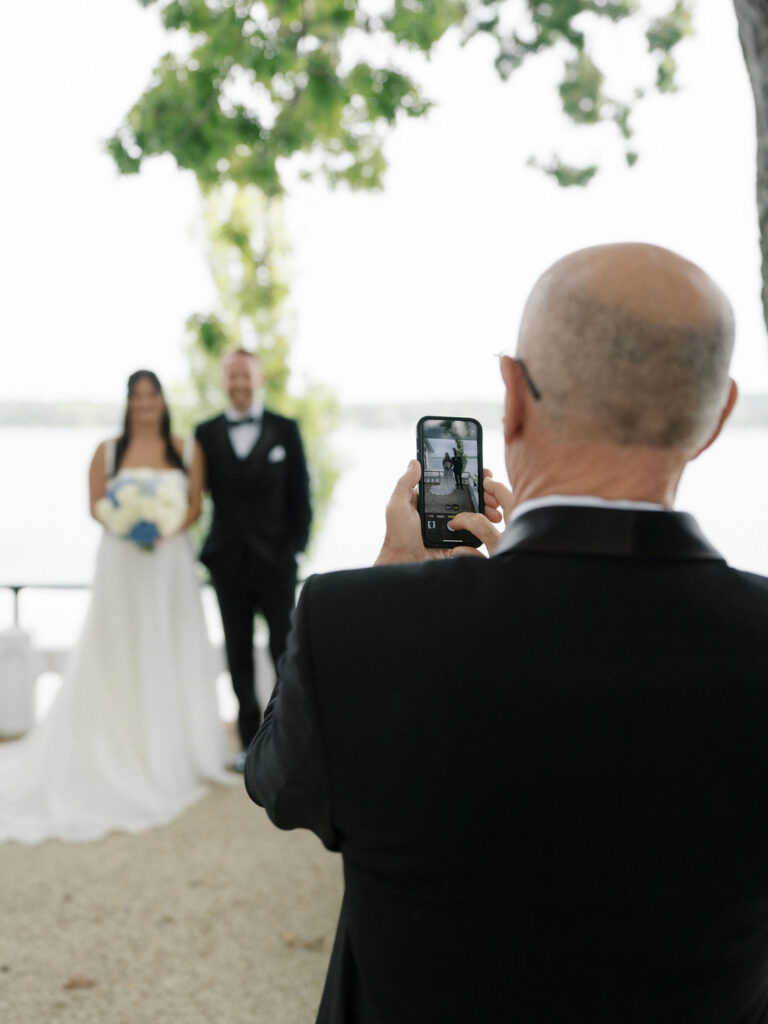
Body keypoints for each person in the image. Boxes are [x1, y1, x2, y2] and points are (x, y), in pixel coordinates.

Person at [245, 243, 768, 1024]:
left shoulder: (356, 625)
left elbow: (280, 786)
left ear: (513, 399)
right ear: (716, 417)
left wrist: (396, 571)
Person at [0, 370, 232, 844]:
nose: (145, 404)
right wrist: (129, 524)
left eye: (152, 395)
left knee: (168, 646)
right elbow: (94, 505)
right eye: (137, 396)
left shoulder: (187, 449)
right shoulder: (107, 451)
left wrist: (165, 526)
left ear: (163, 401)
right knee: (119, 648)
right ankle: (120, 746)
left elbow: (194, 506)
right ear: (128, 403)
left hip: (169, 561)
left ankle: (172, 753)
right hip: (121, 561)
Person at [195, 349, 311, 773]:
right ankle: (248, 746)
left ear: (259, 379)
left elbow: (302, 497)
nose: (239, 383)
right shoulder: (204, 433)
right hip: (227, 564)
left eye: (245, 375)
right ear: (223, 380)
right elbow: (191, 493)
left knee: (287, 652)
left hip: (277, 566)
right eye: (231, 376)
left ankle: (289, 741)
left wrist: (293, 552)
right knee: (237, 655)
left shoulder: (286, 429)